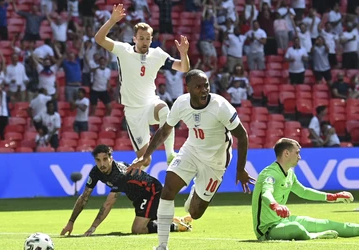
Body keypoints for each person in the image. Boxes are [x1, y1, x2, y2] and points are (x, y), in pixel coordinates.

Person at [129, 69, 255, 250]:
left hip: (215, 161)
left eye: (206, 86)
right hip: (192, 150)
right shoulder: (181, 104)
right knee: (168, 189)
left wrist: (240, 169)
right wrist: (145, 155)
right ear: (188, 88)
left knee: (195, 213)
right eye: (198, 87)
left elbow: (242, 136)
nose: (204, 90)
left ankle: (197, 188)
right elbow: (165, 130)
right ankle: (162, 245)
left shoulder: (220, 105)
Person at [94, 4, 190, 168]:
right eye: (141, 38)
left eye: (148, 38)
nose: (145, 41)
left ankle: (170, 155)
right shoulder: (124, 50)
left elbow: (184, 68)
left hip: (150, 103)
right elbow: (99, 39)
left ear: (151, 40)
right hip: (133, 111)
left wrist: (183, 53)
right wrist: (112, 20)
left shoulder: (157, 54)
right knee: (144, 160)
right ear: (134, 39)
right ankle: (129, 183)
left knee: (165, 109)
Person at [60, 144, 192, 236]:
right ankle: (174, 220)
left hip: (151, 191)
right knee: (146, 223)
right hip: (138, 197)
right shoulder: (96, 172)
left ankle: (175, 226)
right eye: (98, 160)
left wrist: (93, 227)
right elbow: (84, 197)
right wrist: (70, 223)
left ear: (111, 158)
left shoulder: (120, 173)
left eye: (105, 159)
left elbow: (109, 203)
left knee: (138, 229)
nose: (102, 164)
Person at [252, 137, 359, 241]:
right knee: (296, 227)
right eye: (297, 153)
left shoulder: (289, 173)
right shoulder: (270, 174)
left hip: (284, 221)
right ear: (286, 153)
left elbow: (303, 192)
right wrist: (275, 205)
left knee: (326, 224)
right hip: (267, 229)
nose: (300, 157)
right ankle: (314, 236)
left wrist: (332, 197)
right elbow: (266, 193)